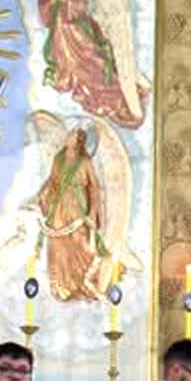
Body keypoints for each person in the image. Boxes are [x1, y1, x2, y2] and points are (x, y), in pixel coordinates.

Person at [37, 0, 147, 128]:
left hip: (77, 29)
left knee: (93, 62)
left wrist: (66, 1)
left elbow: (82, 3)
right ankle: (90, 91)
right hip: (61, 38)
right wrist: (50, 1)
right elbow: (45, 19)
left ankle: (115, 93)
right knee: (73, 68)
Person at [34, 127, 116, 302]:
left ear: (78, 141)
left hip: (77, 209)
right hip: (58, 208)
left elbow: (94, 187)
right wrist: (41, 193)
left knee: (81, 245)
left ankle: (83, 282)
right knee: (58, 245)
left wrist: (93, 212)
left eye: (72, 136)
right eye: (69, 134)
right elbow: (52, 180)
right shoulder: (59, 159)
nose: (68, 137)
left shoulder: (85, 162)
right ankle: (61, 286)